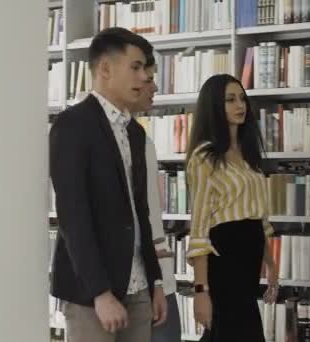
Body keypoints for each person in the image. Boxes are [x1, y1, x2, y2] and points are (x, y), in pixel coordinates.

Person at [49, 27, 167, 342]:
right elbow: (73, 216)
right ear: (104, 69)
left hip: (139, 286)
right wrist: (100, 293)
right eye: (136, 67)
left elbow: (139, 210)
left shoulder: (136, 132)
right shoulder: (72, 125)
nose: (145, 77)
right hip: (93, 295)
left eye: (146, 69)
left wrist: (156, 281)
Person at [185, 74, 278, 341]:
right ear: (214, 106)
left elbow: (258, 217)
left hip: (249, 262)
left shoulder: (249, 156)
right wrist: (201, 291)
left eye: (242, 98)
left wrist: (270, 264)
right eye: (230, 99)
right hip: (224, 259)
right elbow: (200, 229)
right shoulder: (205, 157)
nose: (240, 105)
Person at [128, 60, 182, 342]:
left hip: (157, 271)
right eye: (147, 80)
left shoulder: (142, 139)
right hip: (132, 276)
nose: (154, 87)